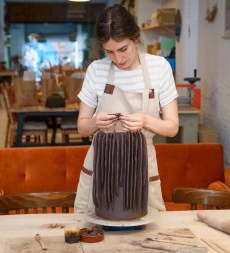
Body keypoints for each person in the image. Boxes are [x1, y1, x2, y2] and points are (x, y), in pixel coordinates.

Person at [74, 4, 179, 213]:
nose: (118, 59)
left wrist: (146, 121)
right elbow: (81, 128)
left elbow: (172, 127)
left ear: (136, 39)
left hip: (142, 166)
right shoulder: (97, 70)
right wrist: (95, 122)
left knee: (146, 232)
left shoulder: (160, 68)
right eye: (109, 52)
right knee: (95, 233)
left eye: (123, 49)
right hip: (101, 166)